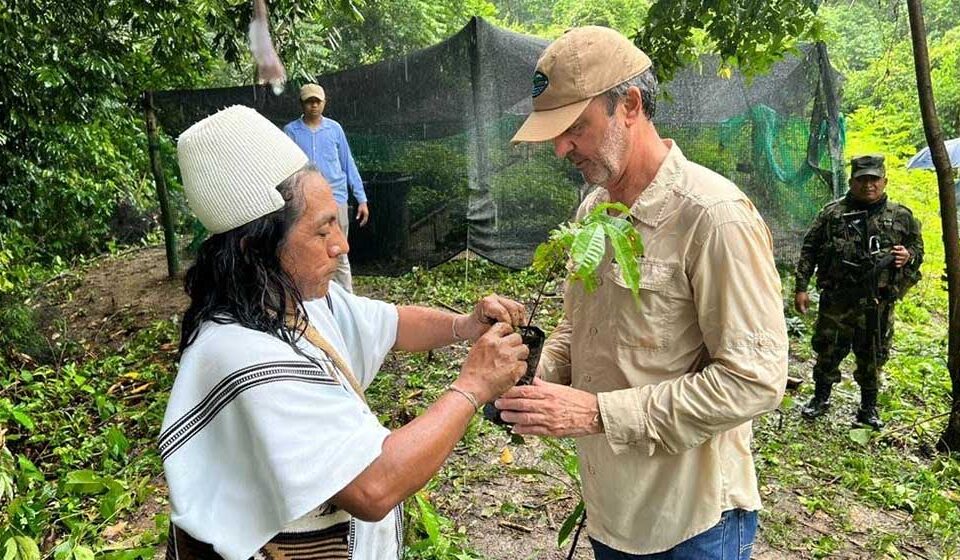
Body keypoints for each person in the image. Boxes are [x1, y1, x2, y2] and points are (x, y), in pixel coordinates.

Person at [161, 105, 529, 560]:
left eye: (337, 219)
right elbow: (375, 486)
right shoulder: (241, 354)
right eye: (322, 230)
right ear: (254, 246)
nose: (342, 244)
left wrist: (463, 325)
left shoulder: (287, 299)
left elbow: (391, 322)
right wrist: (473, 385)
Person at [495, 27, 788, 560]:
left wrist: (596, 415)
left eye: (575, 128)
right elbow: (576, 323)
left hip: (692, 523)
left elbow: (755, 381)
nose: (561, 148)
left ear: (628, 105)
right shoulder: (594, 211)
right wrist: (536, 375)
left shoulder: (713, 217)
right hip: (613, 509)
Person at [795, 154, 923, 429]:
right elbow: (810, 249)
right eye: (862, 180)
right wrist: (801, 287)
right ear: (852, 182)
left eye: (874, 180)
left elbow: (917, 249)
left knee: (873, 354)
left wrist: (907, 255)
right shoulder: (832, 214)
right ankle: (820, 398)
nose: (869, 185)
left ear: (884, 181)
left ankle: (869, 408)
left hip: (877, 302)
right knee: (828, 349)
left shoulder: (901, 215)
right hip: (837, 299)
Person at [284, 83, 367, 292]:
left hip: (336, 198)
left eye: (317, 101)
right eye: (309, 101)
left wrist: (361, 198)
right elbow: (285, 167)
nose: (313, 106)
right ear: (301, 104)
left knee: (339, 252)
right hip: (304, 201)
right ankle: (317, 298)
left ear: (324, 103)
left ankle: (348, 301)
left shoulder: (334, 129)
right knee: (307, 251)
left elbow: (347, 163)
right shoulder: (291, 131)